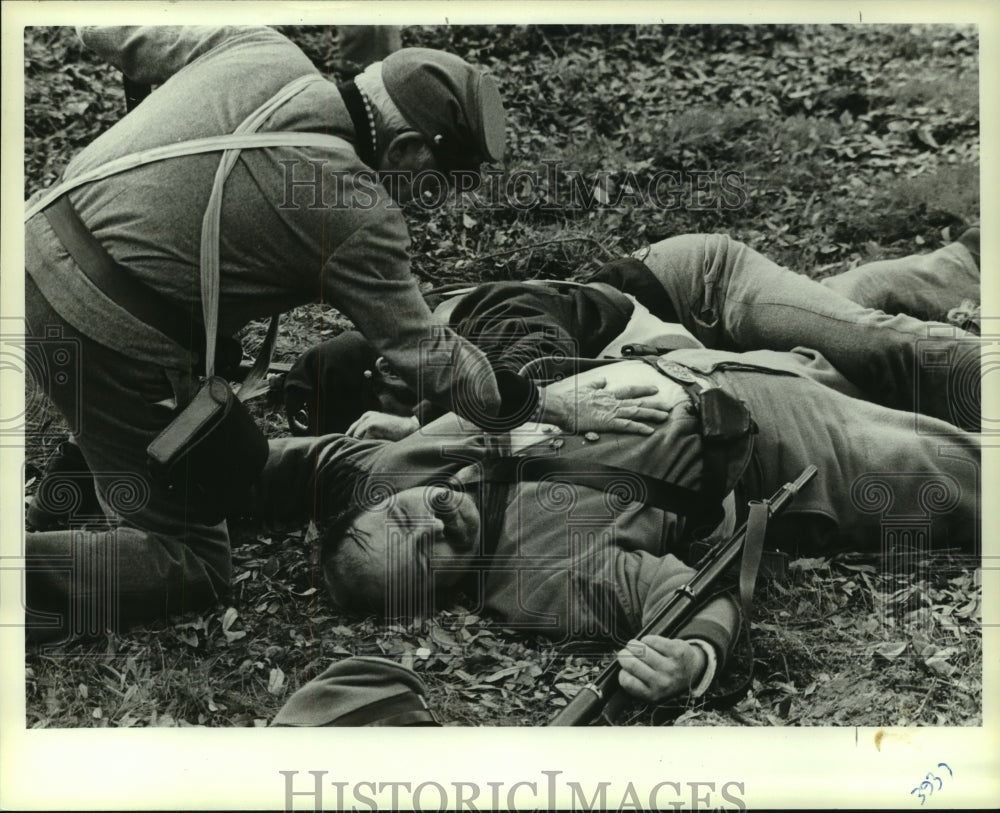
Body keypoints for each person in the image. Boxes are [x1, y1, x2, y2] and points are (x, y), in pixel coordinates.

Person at [23, 26, 664, 641]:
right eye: (440, 184)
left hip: (29, 242)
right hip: (96, 322)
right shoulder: (355, 212)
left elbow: (105, 29)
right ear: (412, 148)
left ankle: (92, 475)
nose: (430, 204)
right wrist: (545, 402)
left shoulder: (259, 48)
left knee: (192, 440)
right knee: (192, 560)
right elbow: (429, 355)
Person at [254, 342, 980, 705]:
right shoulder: (540, 580)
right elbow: (686, 595)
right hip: (784, 441)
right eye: (427, 556)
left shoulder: (408, 466)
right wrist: (693, 660)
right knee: (964, 471)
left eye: (407, 513)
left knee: (920, 354)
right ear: (438, 594)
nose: (435, 519)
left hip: (700, 350)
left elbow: (288, 460)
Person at [285, 229, 981, 439]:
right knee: (830, 343)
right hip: (682, 344)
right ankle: (957, 265)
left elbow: (536, 375)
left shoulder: (477, 320)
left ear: (385, 368)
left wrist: (420, 428)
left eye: (407, 389)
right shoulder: (450, 348)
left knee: (873, 346)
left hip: (703, 285)